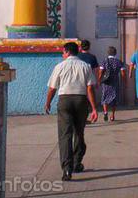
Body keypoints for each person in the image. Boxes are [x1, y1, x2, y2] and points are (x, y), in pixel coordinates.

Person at [45, 41, 98, 181]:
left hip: (64, 101)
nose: (62, 54)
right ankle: (77, 162)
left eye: (63, 52)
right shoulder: (86, 66)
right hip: (81, 101)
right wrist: (93, 108)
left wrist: (48, 103)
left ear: (67, 52)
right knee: (79, 132)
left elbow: (52, 88)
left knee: (65, 135)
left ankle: (67, 169)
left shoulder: (59, 66)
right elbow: (90, 88)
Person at [98, 46, 126, 122]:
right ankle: (112, 115)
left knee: (105, 96)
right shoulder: (119, 61)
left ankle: (105, 112)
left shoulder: (104, 61)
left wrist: (99, 80)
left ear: (108, 53)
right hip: (115, 82)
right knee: (114, 98)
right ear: (115, 53)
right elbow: (123, 73)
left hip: (106, 82)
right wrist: (124, 81)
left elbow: (101, 72)